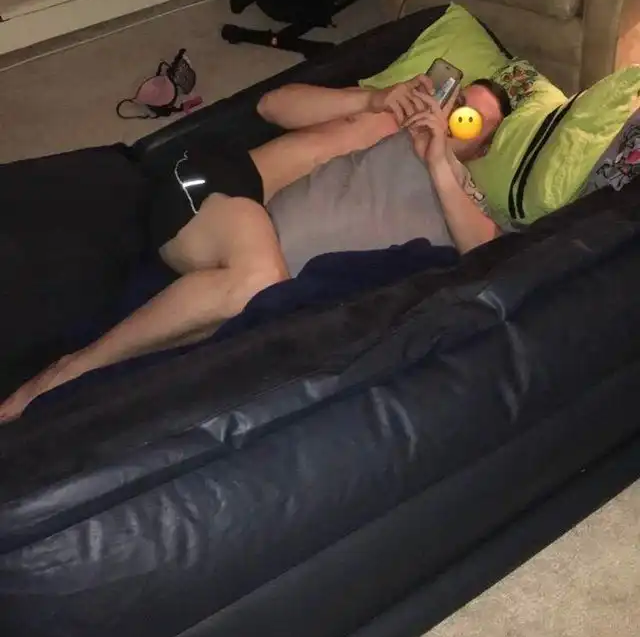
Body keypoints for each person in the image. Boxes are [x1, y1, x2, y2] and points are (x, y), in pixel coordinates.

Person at [0, 73, 511, 423]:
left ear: (484, 147)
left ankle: (79, 379)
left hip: (237, 241)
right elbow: (271, 105)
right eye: (458, 99)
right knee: (260, 281)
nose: (455, 113)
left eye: (474, 118)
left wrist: (439, 161)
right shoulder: (389, 119)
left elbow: (487, 253)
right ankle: (68, 372)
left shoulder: (465, 198)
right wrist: (373, 99)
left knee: (247, 293)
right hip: (214, 186)